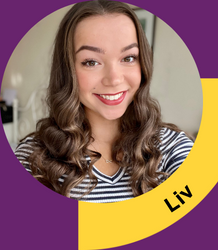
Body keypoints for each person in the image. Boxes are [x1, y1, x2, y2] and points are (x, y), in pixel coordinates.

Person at [15, 0, 194, 203]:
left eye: (128, 58)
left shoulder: (174, 148)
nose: (114, 79)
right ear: (68, 71)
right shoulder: (32, 159)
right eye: (91, 62)